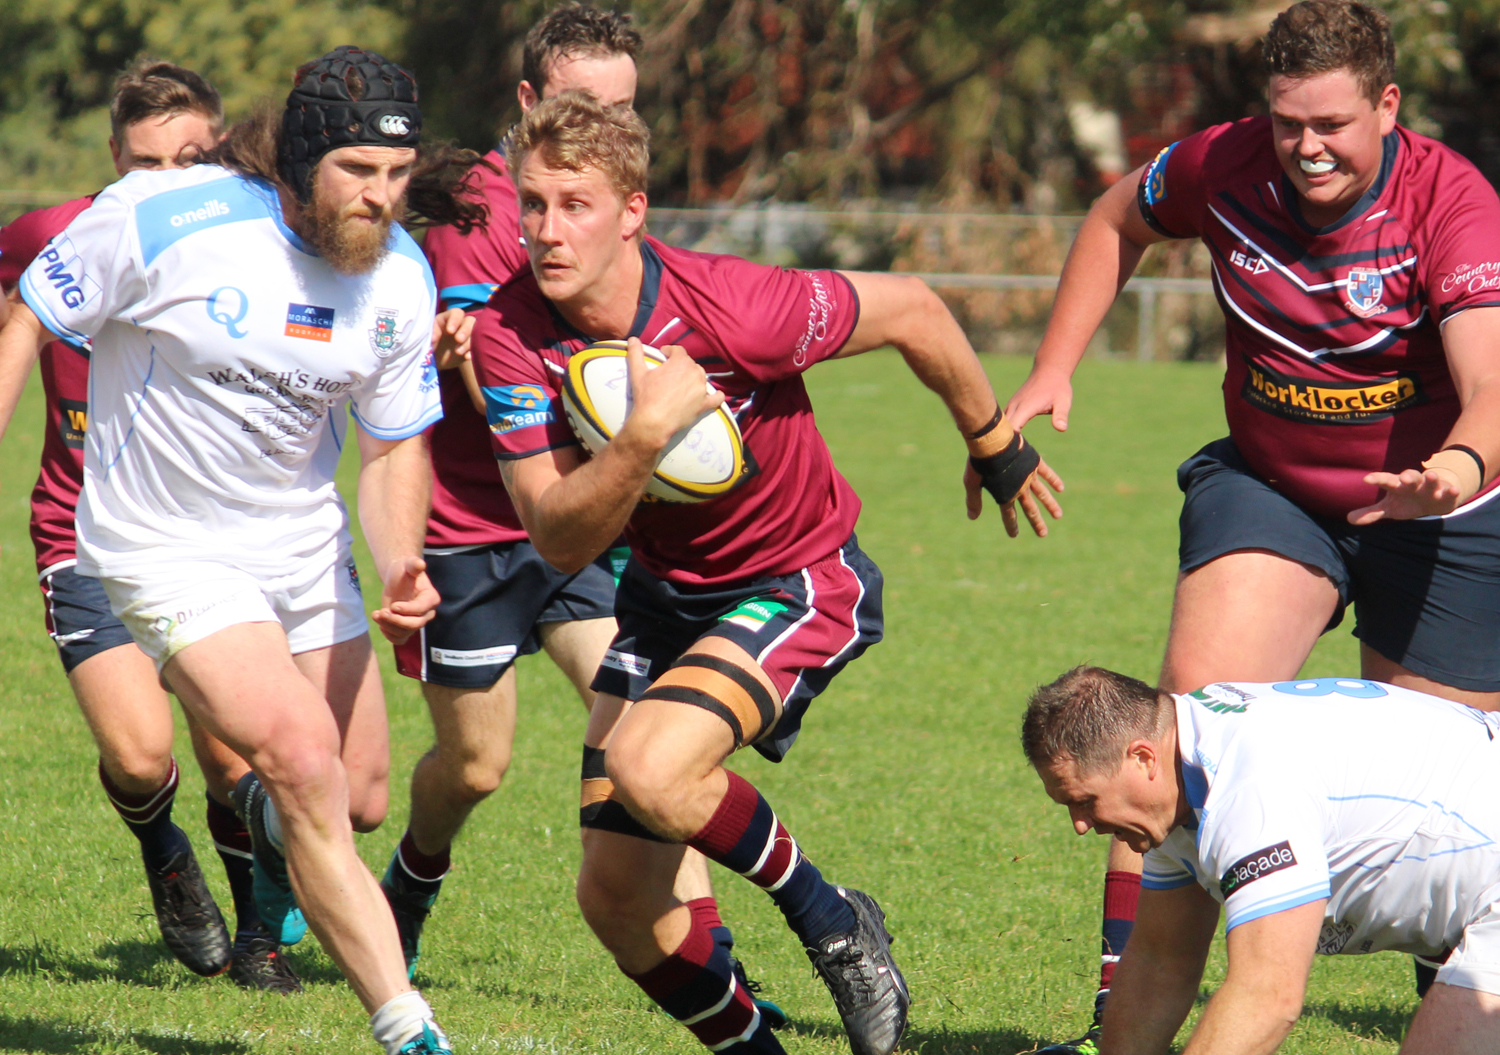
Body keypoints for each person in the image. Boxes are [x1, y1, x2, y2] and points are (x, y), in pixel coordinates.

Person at [470, 92, 1062, 1055]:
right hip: (662, 604)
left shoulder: (736, 305)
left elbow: (914, 308)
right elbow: (558, 537)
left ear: (632, 211)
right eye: (532, 203)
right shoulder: (509, 331)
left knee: (650, 767)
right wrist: (645, 435)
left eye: (574, 205)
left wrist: (994, 442)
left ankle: (832, 919)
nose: (546, 229)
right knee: (615, 898)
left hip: (797, 580)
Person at [1002, 3, 1500, 1046]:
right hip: (1273, 482)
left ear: (1388, 106)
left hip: (1435, 500)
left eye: (1333, 124)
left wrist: (1453, 468)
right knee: (1169, 738)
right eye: (1288, 124)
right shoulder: (1219, 166)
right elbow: (1114, 218)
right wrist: (1054, 364)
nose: (1308, 148)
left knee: (1448, 791)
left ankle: (1462, 1002)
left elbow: (1493, 384)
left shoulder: (1452, 202)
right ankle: (1118, 1014)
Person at [0, 45, 481, 1055]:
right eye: (358, 171)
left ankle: (271, 819)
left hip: (299, 547)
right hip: (162, 544)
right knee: (302, 760)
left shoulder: (399, 273)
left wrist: (401, 561)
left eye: (397, 174)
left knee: (358, 794)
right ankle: (408, 1027)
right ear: (302, 158)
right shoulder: (164, 217)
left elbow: (394, 448)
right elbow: (25, 320)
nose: (382, 196)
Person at [380, 4, 771, 1008]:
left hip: (580, 522)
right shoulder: (483, 210)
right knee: (475, 767)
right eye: (585, 102)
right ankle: (412, 880)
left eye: (626, 107)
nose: (610, 125)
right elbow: (491, 381)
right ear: (529, 101)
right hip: (471, 528)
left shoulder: (607, 198)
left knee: (657, 729)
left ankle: (713, 960)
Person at [0, 58, 298, 992]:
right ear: (112, 158)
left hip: (207, 535)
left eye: (191, 159)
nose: (168, 182)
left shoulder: (255, 240)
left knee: (233, 751)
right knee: (138, 756)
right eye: (145, 163)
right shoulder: (52, 235)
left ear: (224, 151)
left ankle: (260, 939)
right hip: (83, 535)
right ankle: (162, 847)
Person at [1024, 666, 1500, 1055]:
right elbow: (1159, 961)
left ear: (1142, 759)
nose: (1080, 824)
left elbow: (1268, 997)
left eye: (1084, 801)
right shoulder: (1176, 777)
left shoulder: (1248, 790)